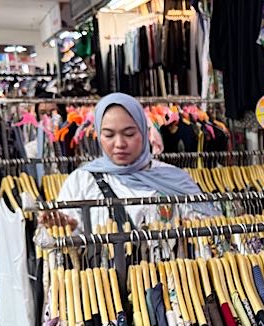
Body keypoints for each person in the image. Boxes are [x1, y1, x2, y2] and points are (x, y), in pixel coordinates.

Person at [46, 93, 216, 232]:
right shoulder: (82, 182)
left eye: (129, 134)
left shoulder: (175, 178)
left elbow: (209, 232)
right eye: (109, 135)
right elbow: (67, 250)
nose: (119, 144)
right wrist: (68, 227)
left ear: (143, 131)